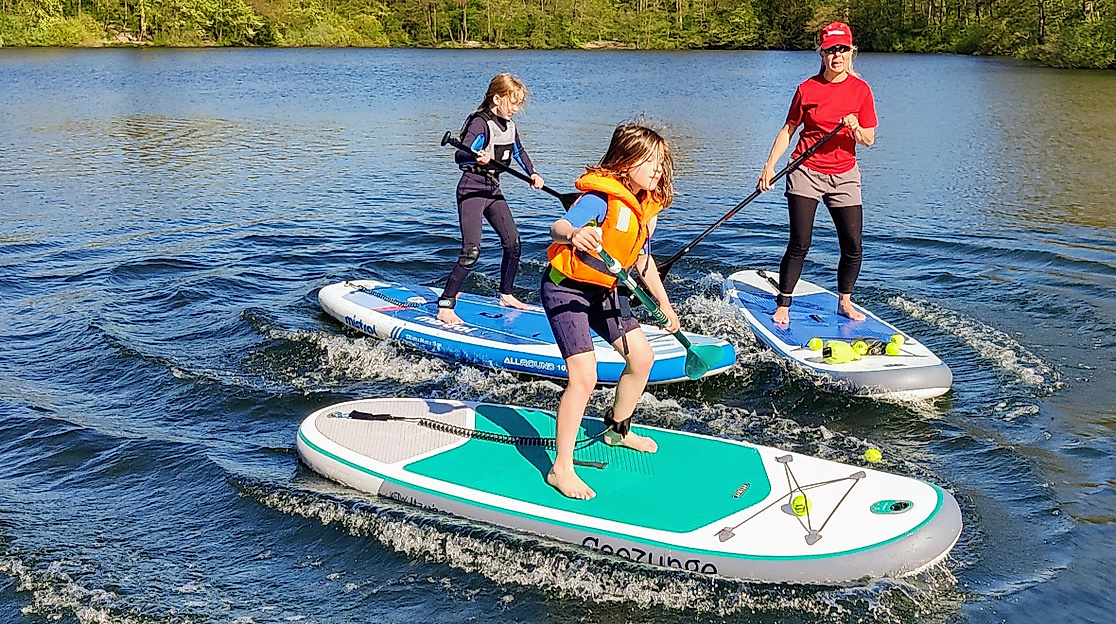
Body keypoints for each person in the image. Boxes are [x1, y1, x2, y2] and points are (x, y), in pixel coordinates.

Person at [540, 122, 680, 500]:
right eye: (650, 161)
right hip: (566, 289)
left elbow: (643, 262)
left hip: (605, 291)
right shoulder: (600, 198)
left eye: (662, 163)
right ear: (626, 161)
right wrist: (574, 234)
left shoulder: (645, 207)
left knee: (643, 359)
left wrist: (665, 305)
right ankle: (561, 468)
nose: (658, 170)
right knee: (584, 377)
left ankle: (619, 429)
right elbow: (558, 226)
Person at [758, 21, 877, 325]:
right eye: (831, 50)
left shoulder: (862, 91)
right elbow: (788, 130)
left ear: (852, 52)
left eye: (843, 49)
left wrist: (855, 127)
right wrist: (770, 166)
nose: (837, 56)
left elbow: (869, 139)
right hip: (805, 170)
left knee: (853, 244)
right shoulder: (807, 89)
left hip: (845, 173)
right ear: (822, 54)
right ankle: (783, 303)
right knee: (801, 242)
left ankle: (845, 302)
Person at [437, 73, 546, 325]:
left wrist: (533, 173)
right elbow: (460, 157)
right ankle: (445, 304)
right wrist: (476, 157)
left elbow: (518, 151)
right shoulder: (480, 123)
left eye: (519, 103)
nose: (516, 109)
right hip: (471, 189)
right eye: (513, 102)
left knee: (513, 243)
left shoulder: (510, 126)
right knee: (471, 250)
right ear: (497, 98)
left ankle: (506, 295)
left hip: (492, 189)